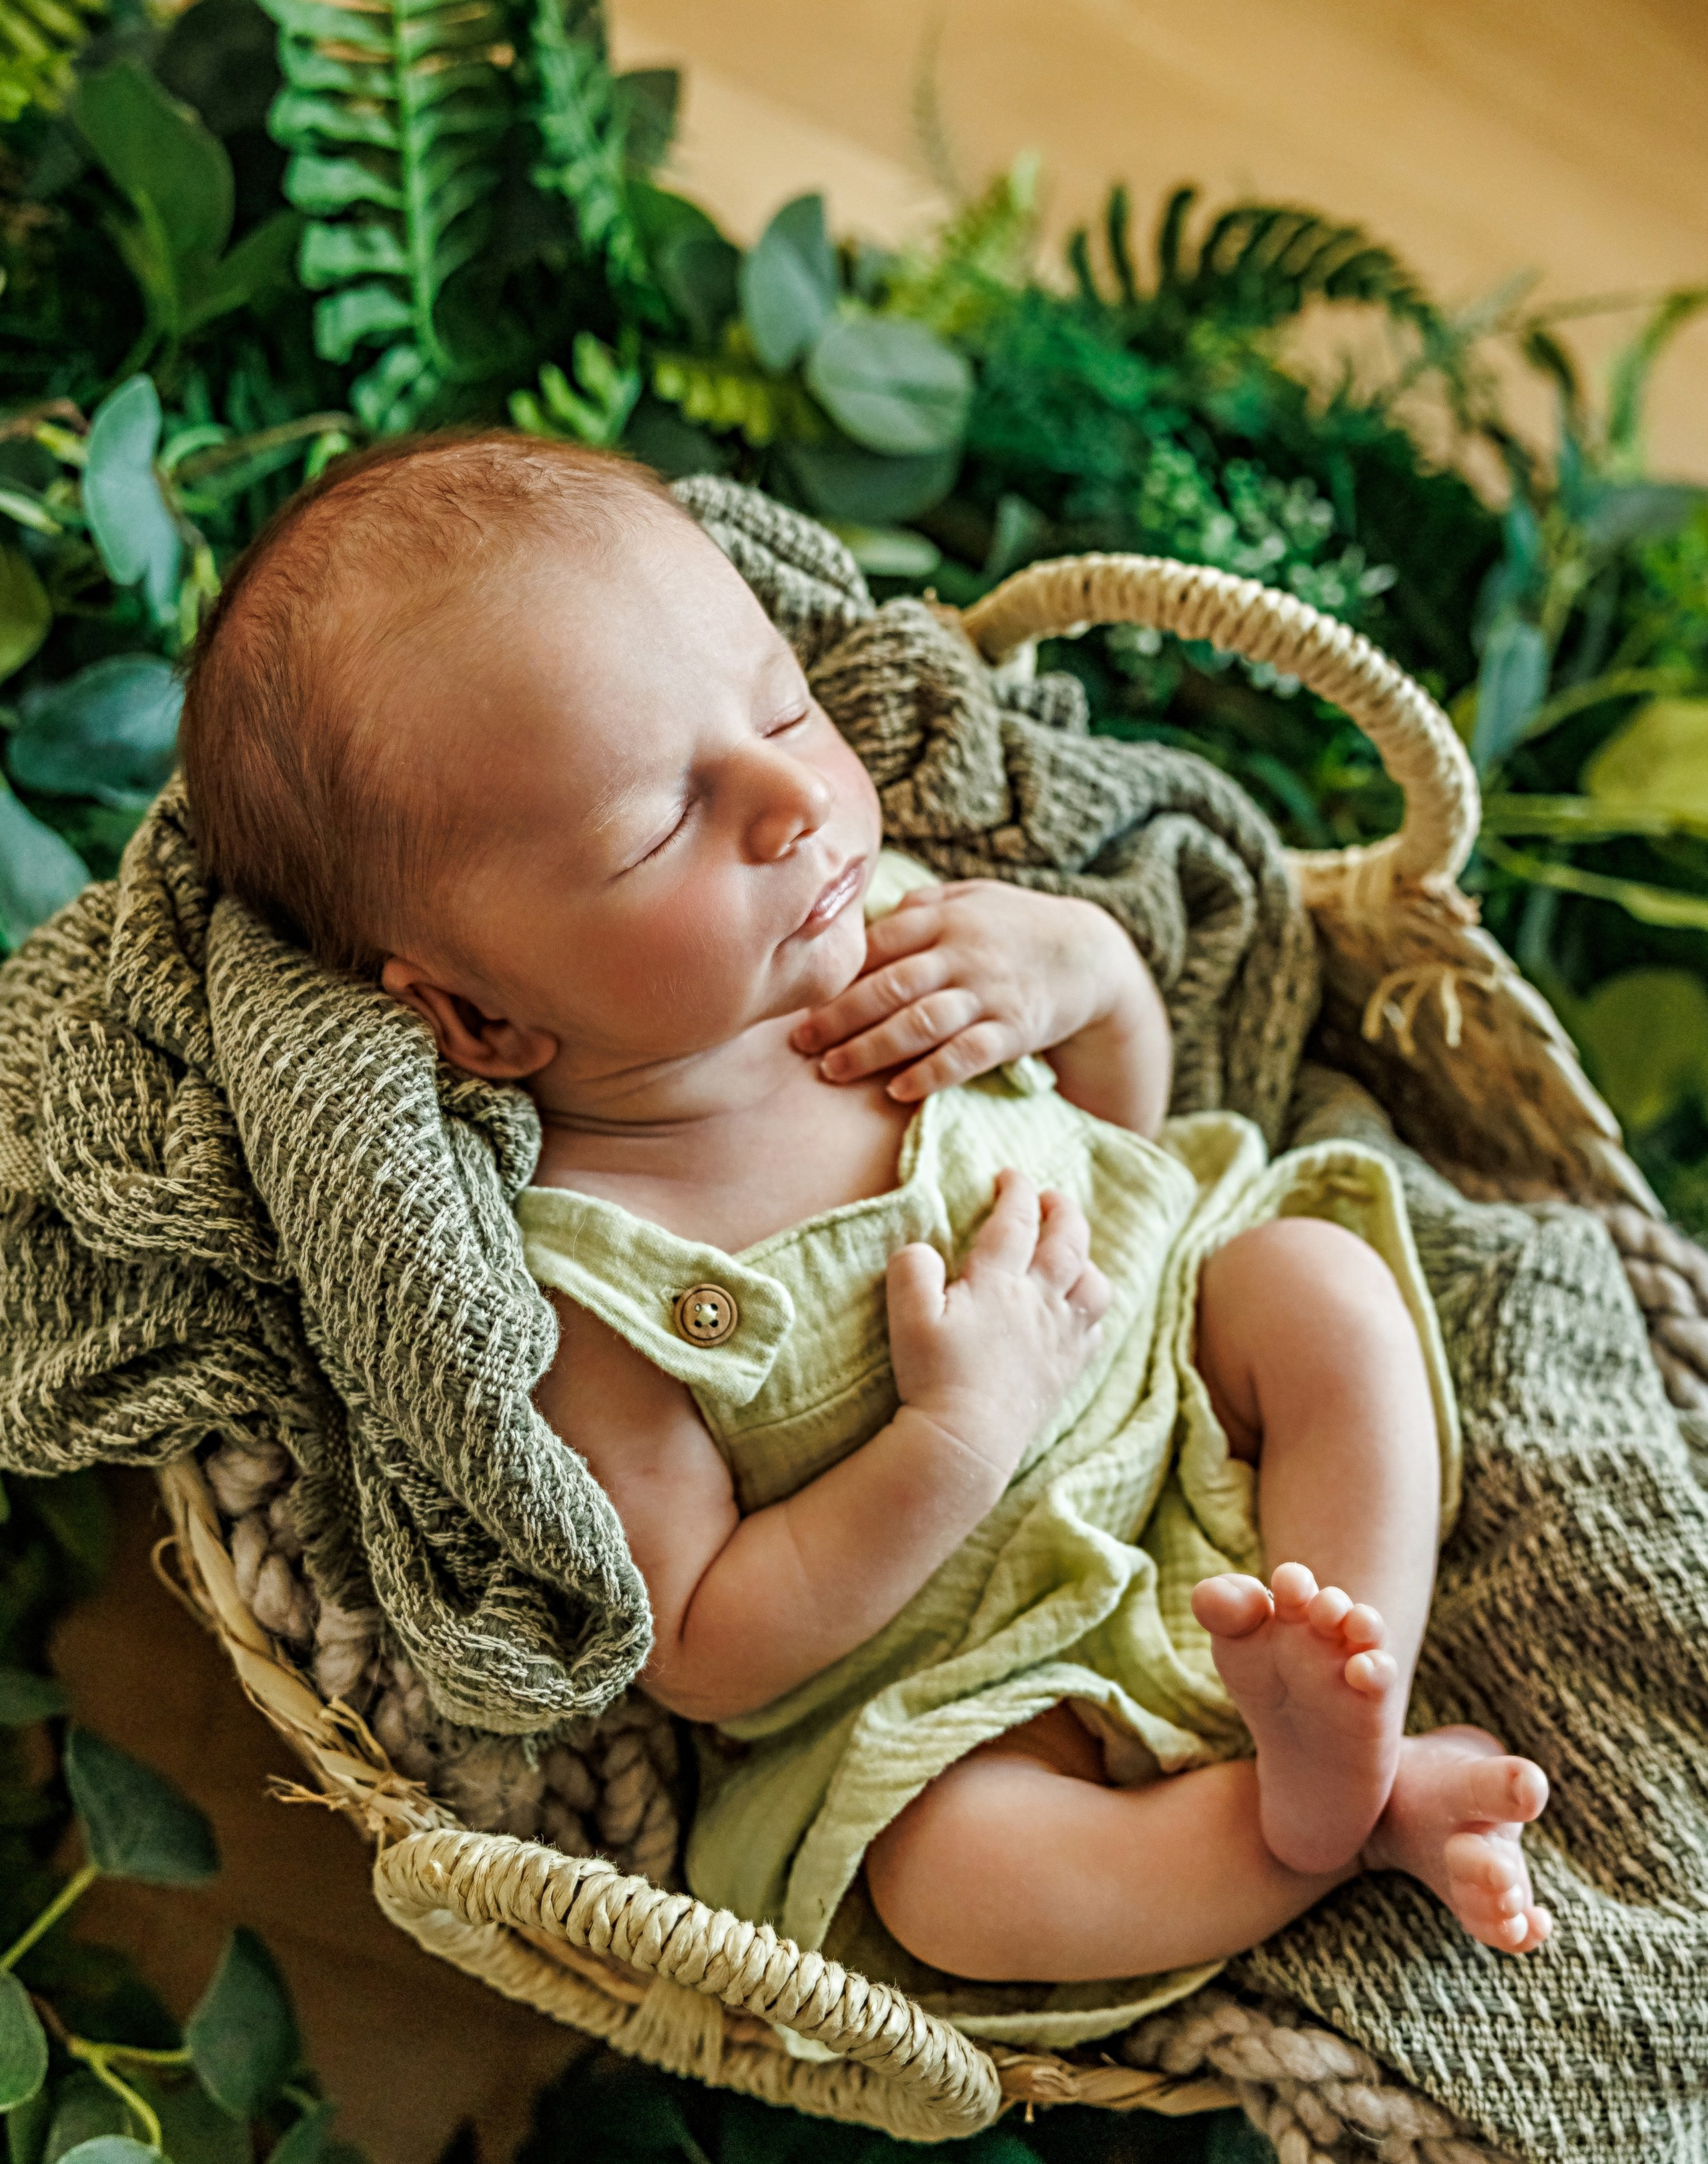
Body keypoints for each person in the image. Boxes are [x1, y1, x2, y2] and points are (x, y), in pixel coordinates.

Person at [179, 431, 1551, 1995]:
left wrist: (1091, 975)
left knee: (1315, 1288)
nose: (794, 803)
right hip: (974, 1685)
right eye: (661, 823)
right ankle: (1313, 1823)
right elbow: (701, 1646)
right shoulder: (580, 1279)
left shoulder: (892, 941)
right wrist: (959, 1433)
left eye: (781, 709)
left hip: (1180, 1398)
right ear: (482, 1019)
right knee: (951, 1881)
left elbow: (1122, 1152)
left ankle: (1348, 1678)